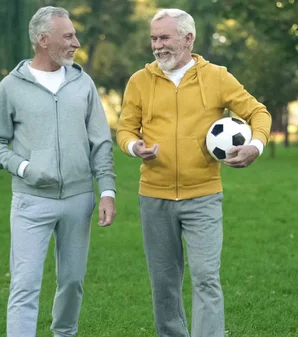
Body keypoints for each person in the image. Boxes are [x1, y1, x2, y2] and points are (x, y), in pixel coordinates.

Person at [116, 8, 271, 337]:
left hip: (203, 196)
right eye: (153, 39)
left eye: (165, 38)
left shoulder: (216, 76)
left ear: (188, 39)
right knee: (164, 283)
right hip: (154, 197)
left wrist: (255, 146)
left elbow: (258, 112)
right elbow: (124, 131)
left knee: (206, 277)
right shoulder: (139, 81)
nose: (158, 46)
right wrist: (135, 148)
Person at [0, 6, 116, 337]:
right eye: (68, 36)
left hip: (79, 199)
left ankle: (64, 334)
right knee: (25, 285)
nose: (77, 42)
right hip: (30, 202)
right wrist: (26, 168)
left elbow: (101, 142)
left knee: (71, 281)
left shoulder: (83, 84)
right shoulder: (11, 86)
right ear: (43, 40)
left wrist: (107, 190)